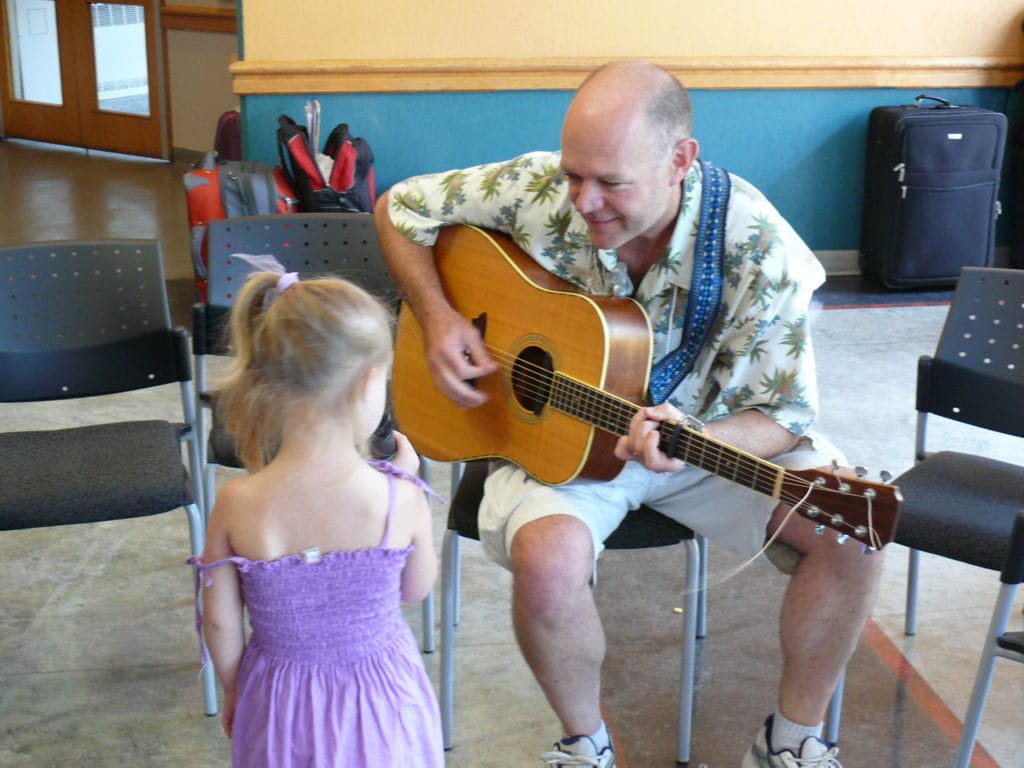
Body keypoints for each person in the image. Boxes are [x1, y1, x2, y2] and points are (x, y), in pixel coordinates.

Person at [375, 59, 882, 768]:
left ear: (680, 161)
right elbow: (399, 209)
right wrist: (435, 318)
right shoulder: (537, 187)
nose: (583, 201)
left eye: (611, 183)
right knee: (547, 563)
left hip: (712, 435)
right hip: (566, 444)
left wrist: (698, 436)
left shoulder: (761, 249)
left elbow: (787, 412)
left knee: (850, 533)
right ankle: (585, 745)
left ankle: (791, 741)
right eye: (575, 173)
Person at [189, 260, 443, 768]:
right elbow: (415, 589)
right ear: (370, 383)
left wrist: (236, 688)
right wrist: (405, 478)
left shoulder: (238, 501)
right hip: (380, 701)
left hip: (279, 699)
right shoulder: (400, 499)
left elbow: (217, 621)